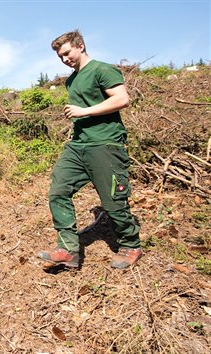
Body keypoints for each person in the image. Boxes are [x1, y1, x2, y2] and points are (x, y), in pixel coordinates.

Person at [37, 29, 142, 269]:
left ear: (80, 46)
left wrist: (84, 111)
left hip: (105, 144)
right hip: (78, 145)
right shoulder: (72, 80)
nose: (65, 59)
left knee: (113, 201)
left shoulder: (102, 69)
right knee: (58, 190)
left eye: (67, 53)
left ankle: (130, 244)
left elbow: (121, 99)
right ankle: (68, 249)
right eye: (60, 57)